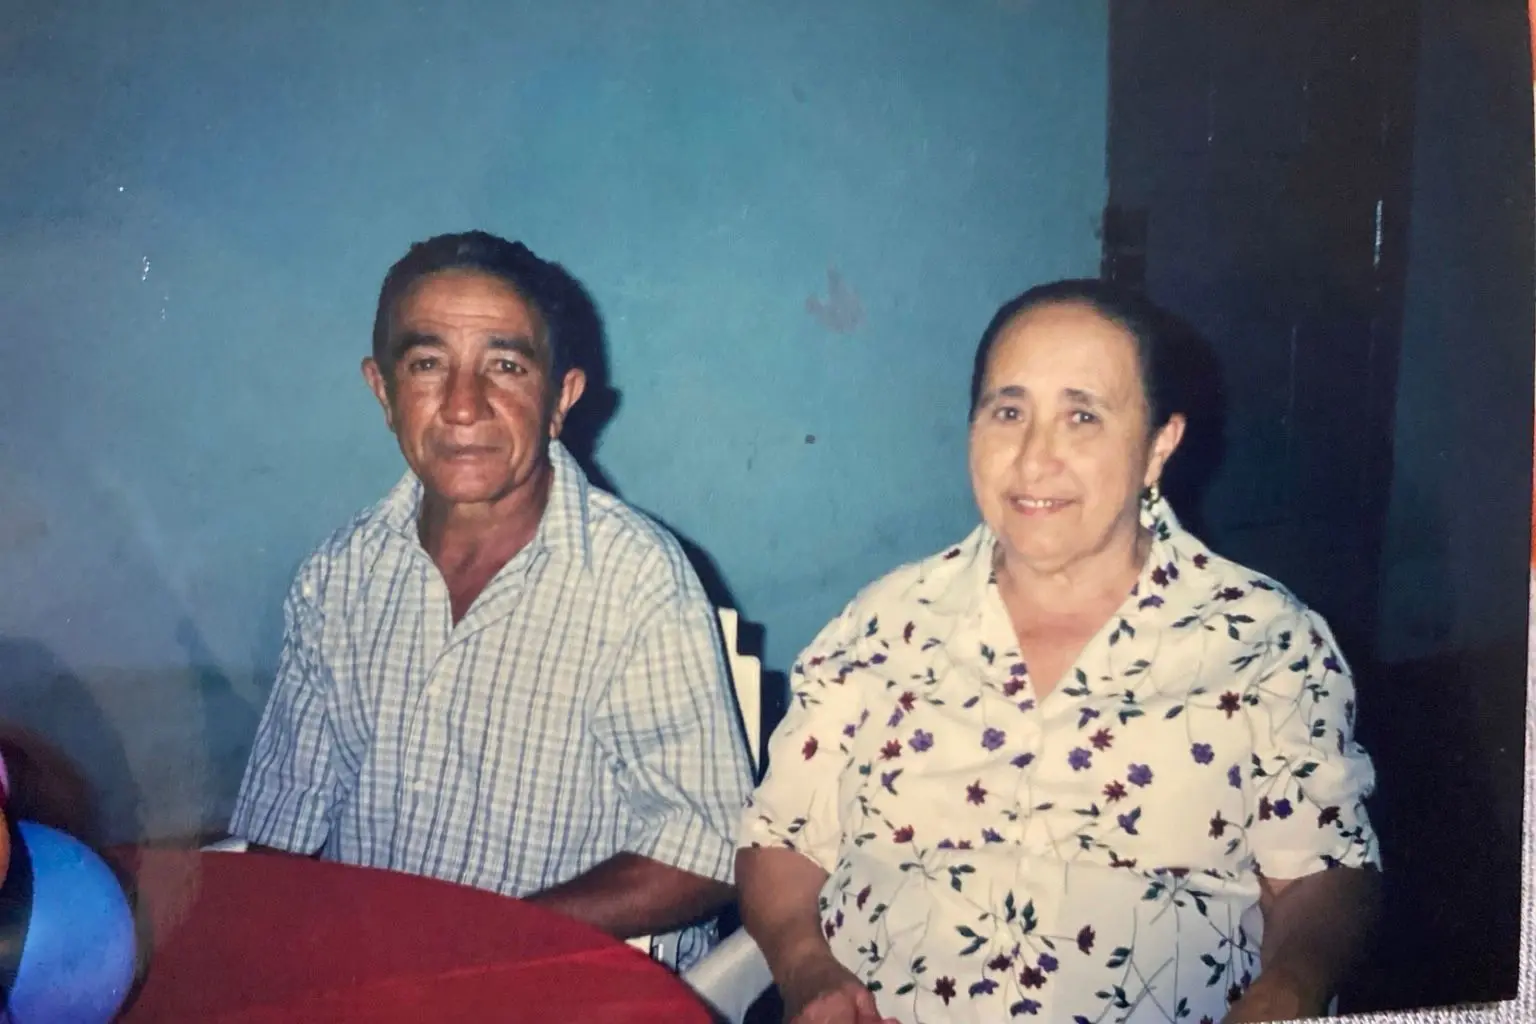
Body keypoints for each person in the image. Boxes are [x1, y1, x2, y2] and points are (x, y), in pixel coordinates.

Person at [736, 280, 1381, 1024]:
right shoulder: (882, 625)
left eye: (1082, 417)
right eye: (1008, 412)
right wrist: (806, 966)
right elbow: (780, 840)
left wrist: (1287, 988)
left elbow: (1324, 871)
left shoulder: (1267, 641)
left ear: (1158, 445)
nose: (1035, 458)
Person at [229, 231, 754, 969]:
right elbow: (280, 826)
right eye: (427, 364)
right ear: (382, 391)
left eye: (505, 366)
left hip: (565, 978)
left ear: (560, 399)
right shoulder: (338, 576)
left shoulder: (635, 580)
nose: (463, 405)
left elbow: (709, 844)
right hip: (371, 977)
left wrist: (477, 942)